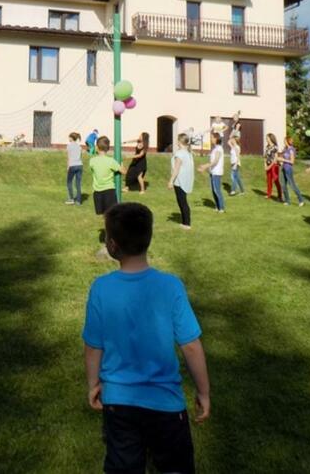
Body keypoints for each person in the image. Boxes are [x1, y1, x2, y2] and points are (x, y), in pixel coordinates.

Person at [83, 203, 211, 474]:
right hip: (166, 405)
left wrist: (93, 383)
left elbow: (94, 346)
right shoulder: (171, 286)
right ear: (148, 237)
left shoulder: (101, 288)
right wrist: (203, 392)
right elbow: (190, 345)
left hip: (119, 404)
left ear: (112, 245)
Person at [90, 136, 121, 251]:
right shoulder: (111, 161)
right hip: (109, 191)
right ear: (108, 148)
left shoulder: (92, 161)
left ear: (97, 147)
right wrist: (121, 165)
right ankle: (111, 239)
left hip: (97, 193)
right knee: (112, 216)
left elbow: (94, 171)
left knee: (106, 216)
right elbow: (123, 171)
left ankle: (109, 238)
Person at [167, 133, 194, 229]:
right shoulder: (188, 153)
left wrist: (171, 181)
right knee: (182, 201)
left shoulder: (180, 154)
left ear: (179, 141)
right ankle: (184, 222)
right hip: (185, 180)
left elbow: (176, 169)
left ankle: (187, 224)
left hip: (180, 181)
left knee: (182, 202)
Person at [199, 131, 225, 213]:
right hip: (213, 172)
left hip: (216, 173)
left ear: (216, 138)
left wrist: (205, 167)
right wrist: (205, 166)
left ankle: (221, 208)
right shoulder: (215, 148)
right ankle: (217, 207)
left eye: (212, 137)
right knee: (214, 190)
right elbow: (212, 162)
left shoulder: (219, 149)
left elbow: (215, 161)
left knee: (217, 190)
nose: (210, 139)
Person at [280, 136, 305, 207]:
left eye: (284, 140)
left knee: (292, 185)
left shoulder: (291, 150)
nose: (284, 142)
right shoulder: (285, 149)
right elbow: (282, 157)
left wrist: (283, 160)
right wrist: (280, 159)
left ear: (287, 141)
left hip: (288, 169)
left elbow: (292, 161)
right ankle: (287, 201)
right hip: (283, 168)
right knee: (283, 185)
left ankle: (301, 200)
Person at [65, 132, 85, 206]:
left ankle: (71, 199)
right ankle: (79, 201)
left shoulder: (69, 146)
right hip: (80, 165)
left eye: (69, 137)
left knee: (69, 182)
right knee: (78, 183)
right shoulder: (79, 147)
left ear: (71, 138)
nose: (68, 138)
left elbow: (68, 157)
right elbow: (80, 156)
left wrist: (68, 166)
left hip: (72, 165)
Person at [263, 133, 282, 201]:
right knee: (269, 181)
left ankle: (280, 196)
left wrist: (270, 166)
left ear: (271, 138)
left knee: (276, 180)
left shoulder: (275, 147)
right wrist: (265, 165)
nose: (266, 139)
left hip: (274, 166)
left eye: (267, 138)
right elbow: (265, 157)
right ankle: (269, 194)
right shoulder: (267, 147)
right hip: (268, 165)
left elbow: (275, 158)